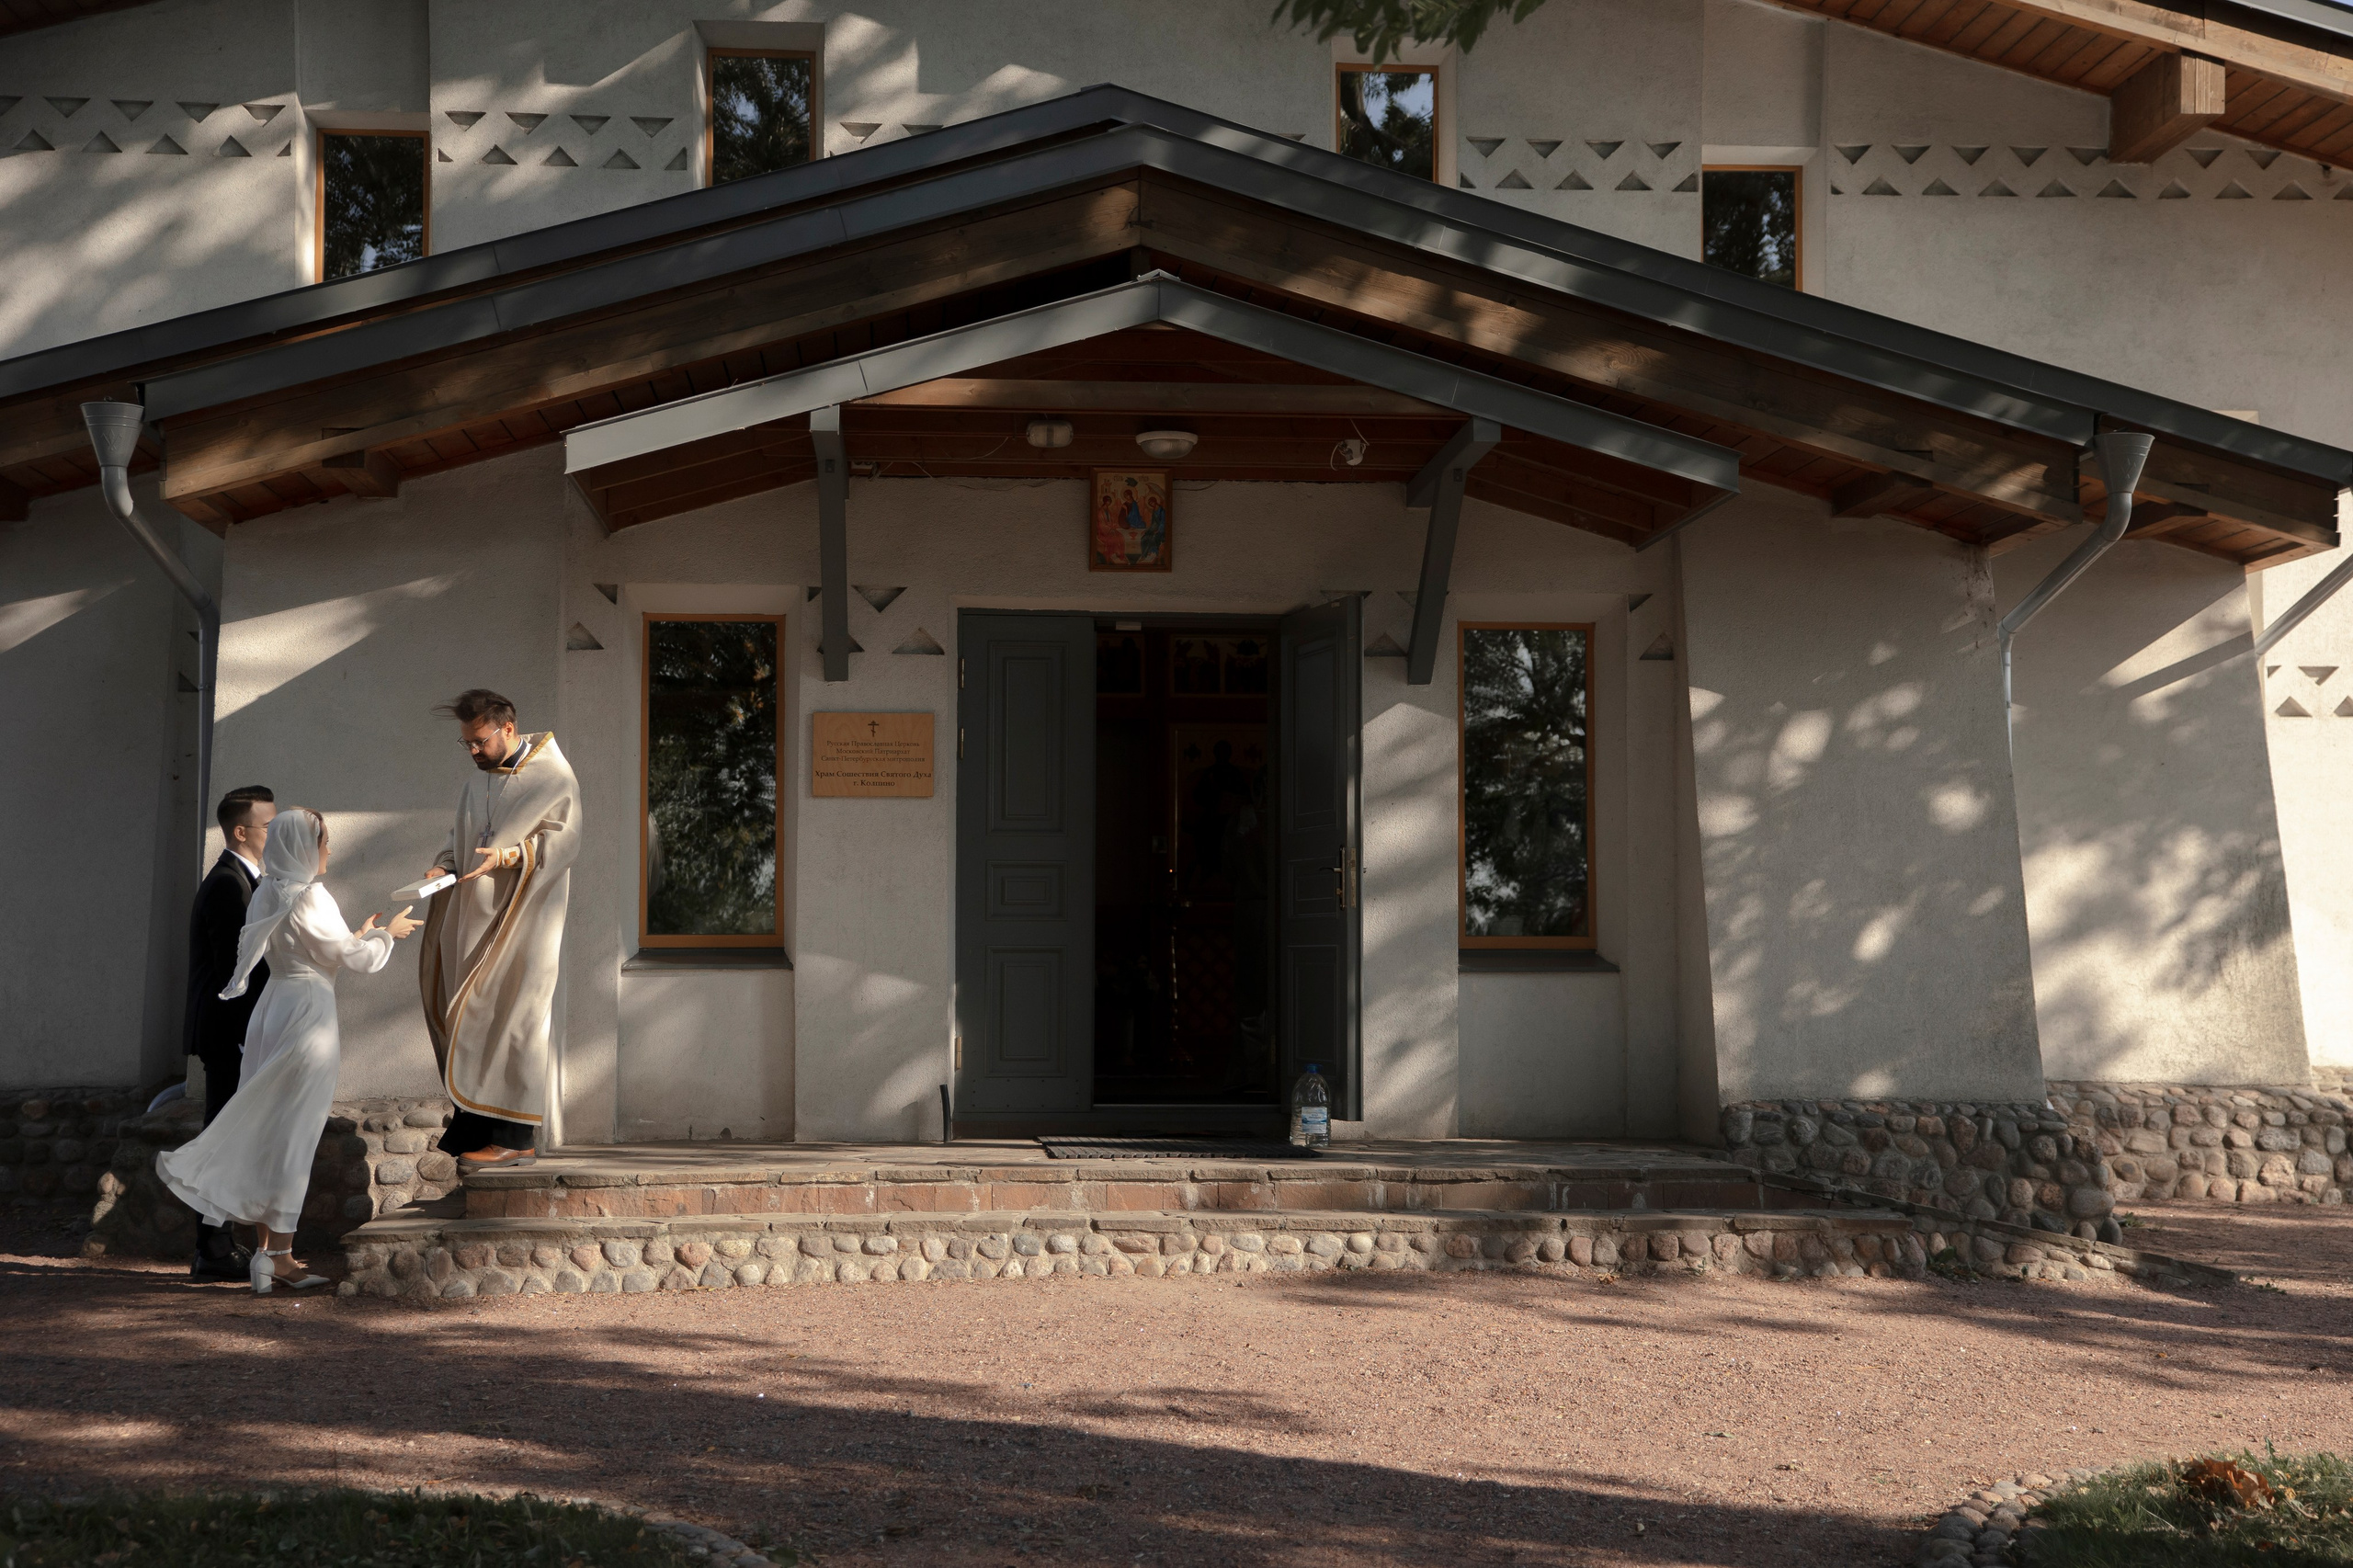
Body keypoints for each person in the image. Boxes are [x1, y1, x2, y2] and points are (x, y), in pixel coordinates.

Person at [156, 809, 420, 1292]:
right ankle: (278, 1255)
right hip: (307, 1014)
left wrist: (355, 936)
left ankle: (268, 1253)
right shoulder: (311, 894)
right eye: (323, 841)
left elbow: (309, 948)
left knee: (267, 1128)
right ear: (305, 847)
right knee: (293, 1135)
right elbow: (353, 959)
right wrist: (387, 935)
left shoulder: (268, 890)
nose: (329, 850)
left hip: (272, 1008)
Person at [417, 689, 581, 1170]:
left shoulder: (553, 778)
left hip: (522, 921)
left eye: (480, 740)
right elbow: (460, 835)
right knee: (474, 1019)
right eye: (466, 743)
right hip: (473, 920)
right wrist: (444, 864)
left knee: (516, 1022)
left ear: (508, 728)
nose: (472, 751)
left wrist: (510, 856)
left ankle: (516, 1140)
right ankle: (480, 1130)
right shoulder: (477, 783)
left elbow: (563, 843)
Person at [181, 784, 276, 1280]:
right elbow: (234, 971)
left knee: (229, 1137)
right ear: (242, 832)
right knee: (221, 1138)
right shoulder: (227, 884)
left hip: (236, 1033)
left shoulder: (249, 879)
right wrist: (250, 1035)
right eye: (269, 826)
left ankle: (216, 1245)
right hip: (228, 1035)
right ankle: (212, 1249)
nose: (276, 834)